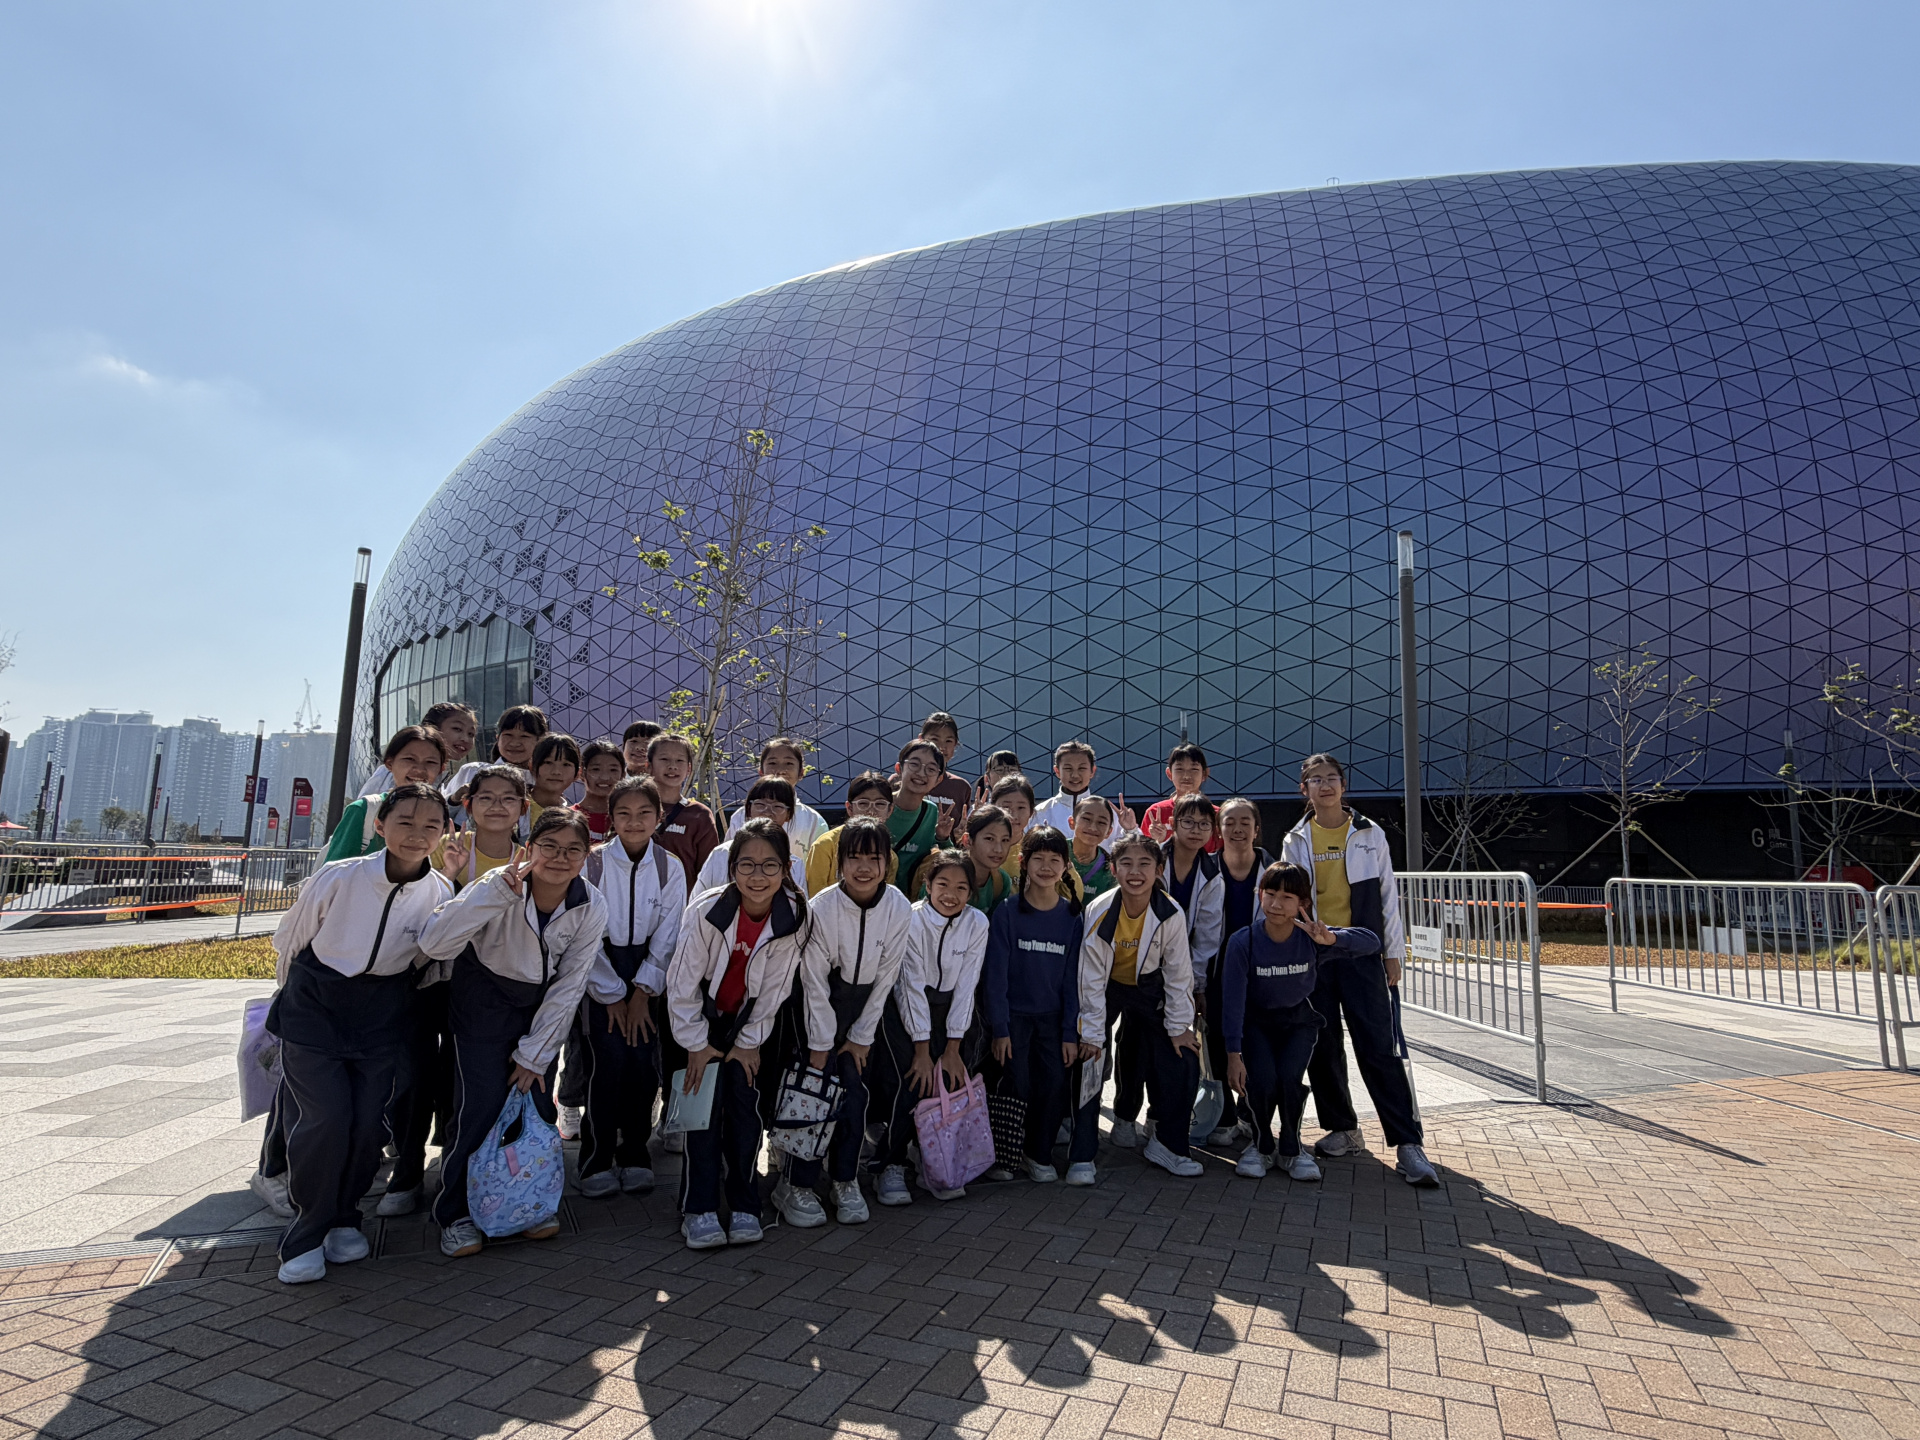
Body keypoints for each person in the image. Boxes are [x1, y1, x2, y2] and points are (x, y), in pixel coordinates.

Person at [265, 784, 454, 1283]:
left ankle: (345, 1217)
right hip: (315, 1009)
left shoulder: (439, 892)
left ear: (444, 832)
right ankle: (306, 1234)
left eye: (431, 825)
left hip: (382, 1016)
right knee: (325, 1119)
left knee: (368, 1124)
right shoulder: (339, 876)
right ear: (380, 825)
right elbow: (290, 940)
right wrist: (291, 997)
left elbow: (428, 960)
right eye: (405, 822)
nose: (417, 834)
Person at [417, 808, 609, 1258]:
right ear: (529, 848)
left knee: (536, 1105)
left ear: (587, 856)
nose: (560, 858)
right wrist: (495, 896)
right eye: (549, 847)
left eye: (573, 850)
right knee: (479, 1107)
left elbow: (571, 983)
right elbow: (434, 942)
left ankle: (525, 1202)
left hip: (539, 1009)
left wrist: (535, 1054)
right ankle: (455, 1213)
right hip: (480, 1005)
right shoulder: (496, 884)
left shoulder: (591, 903)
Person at [1280, 753, 1437, 1186]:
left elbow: (1387, 895)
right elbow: (1290, 897)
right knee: (1323, 1045)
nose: (1325, 785)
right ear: (1304, 790)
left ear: (1344, 785)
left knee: (1378, 1046)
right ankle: (1343, 1129)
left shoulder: (1369, 832)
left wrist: (1393, 952)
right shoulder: (1295, 839)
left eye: (1332, 777)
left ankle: (1407, 1142)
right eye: (1315, 780)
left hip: (1362, 952)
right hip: (1315, 955)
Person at [665, 820, 811, 1249]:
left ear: (786, 869)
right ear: (732, 869)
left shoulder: (794, 916)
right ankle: (698, 1208)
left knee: (746, 1113)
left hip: (749, 1026)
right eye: (747, 864)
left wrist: (748, 1044)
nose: (757, 876)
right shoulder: (707, 911)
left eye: (770, 865)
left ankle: (746, 1204)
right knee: (702, 1114)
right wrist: (697, 1044)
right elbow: (681, 985)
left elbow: (776, 990)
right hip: (699, 1020)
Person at [773, 817, 912, 1226]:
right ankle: (795, 1183)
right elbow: (813, 981)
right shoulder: (822, 908)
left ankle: (844, 1179)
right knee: (812, 1092)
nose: (864, 868)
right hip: (817, 1012)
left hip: (862, 1015)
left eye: (874, 858)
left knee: (854, 1095)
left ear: (887, 862)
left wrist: (861, 1036)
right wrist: (821, 1042)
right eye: (854, 858)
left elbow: (886, 977)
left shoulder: (898, 907)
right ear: (840, 862)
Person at [1221, 861, 1382, 1182]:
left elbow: (1371, 941)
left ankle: (1292, 1149)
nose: (1276, 904)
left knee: (1289, 1079)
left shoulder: (1310, 938)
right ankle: (1261, 1146)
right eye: (1270, 894)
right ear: (1259, 894)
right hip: (1257, 1024)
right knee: (1262, 1081)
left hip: (1299, 1022)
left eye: (1287, 897)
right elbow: (1233, 1001)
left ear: (1303, 904)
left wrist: (1331, 939)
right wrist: (1233, 1054)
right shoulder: (1243, 942)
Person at [1071, 831, 1203, 1184]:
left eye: (1145, 863)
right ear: (1113, 869)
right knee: (1090, 1056)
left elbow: (1179, 975)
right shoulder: (1099, 910)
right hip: (1106, 987)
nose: (1135, 872)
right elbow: (1090, 978)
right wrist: (1092, 1035)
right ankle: (1082, 1153)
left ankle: (1168, 1143)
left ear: (1159, 869)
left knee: (1184, 1056)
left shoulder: (1170, 912)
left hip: (1148, 987)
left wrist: (1180, 1028)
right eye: (1126, 863)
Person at [577, 776, 687, 1198]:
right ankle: (596, 1158)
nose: (634, 821)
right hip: (600, 971)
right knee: (604, 1067)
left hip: (647, 974)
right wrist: (611, 995)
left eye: (644, 813)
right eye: (623, 813)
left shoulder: (669, 866)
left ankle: (636, 1153)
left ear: (659, 817)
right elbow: (584, 934)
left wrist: (641, 993)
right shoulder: (592, 863)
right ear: (611, 818)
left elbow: (670, 934)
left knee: (642, 1067)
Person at [874, 849, 988, 1202]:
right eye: (942, 884)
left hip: (952, 1011)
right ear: (927, 884)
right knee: (911, 1081)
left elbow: (967, 985)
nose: (950, 895)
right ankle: (890, 1164)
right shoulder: (910, 920)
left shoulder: (977, 923)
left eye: (961, 888)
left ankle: (933, 1158)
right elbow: (909, 986)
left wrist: (953, 1048)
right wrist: (921, 1049)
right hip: (904, 1011)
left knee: (950, 1082)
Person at [982, 825, 1083, 1181]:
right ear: (1024, 862)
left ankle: (1038, 1153)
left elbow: (1072, 981)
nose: (1046, 867)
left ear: (1066, 866)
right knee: (1016, 1084)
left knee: (1054, 1084)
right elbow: (996, 977)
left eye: (1055, 860)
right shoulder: (1008, 912)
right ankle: (1005, 1156)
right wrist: (1000, 1029)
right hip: (1015, 1020)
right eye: (1038, 859)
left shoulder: (1072, 917)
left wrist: (1069, 1033)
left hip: (1052, 1021)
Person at [1204, 797, 1271, 1145]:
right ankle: (1225, 1116)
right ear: (1219, 830)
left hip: (1261, 973)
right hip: (1216, 971)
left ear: (1257, 829)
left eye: (1246, 822)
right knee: (1217, 1040)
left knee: (1255, 1041)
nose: (1238, 829)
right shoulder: (1206, 869)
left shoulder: (1274, 870)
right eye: (1229, 822)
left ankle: (1251, 1112)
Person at [326, 727, 448, 862]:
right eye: (409, 759)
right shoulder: (363, 810)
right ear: (390, 763)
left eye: (430, 762)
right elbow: (334, 872)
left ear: (441, 769)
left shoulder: (441, 815)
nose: (419, 769)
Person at [723, 737, 830, 859]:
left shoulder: (813, 821)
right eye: (772, 763)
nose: (780, 770)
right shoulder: (741, 816)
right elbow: (728, 857)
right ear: (761, 771)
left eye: (789, 763)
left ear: (801, 772)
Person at [697, 777, 808, 895]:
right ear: (749, 809)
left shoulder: (795, 865)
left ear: (788, 815)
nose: (767, 812)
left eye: (777, 806)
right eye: (760, 804)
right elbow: (698, 901)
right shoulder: (721, 855)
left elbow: (800, 904)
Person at [805, 772, 899, 895]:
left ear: (890, 810)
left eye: (880, 804)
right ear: (849, 808)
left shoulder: (890, 857)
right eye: (863, 803)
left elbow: (884, 898)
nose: (871, 811)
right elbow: (816, 897)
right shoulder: (825, 846)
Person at [358, 701, 477, 798]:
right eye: (457, 729)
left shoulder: (441, 777)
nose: (465, 739)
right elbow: (366, 808)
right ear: (432, 729)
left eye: (471, 734)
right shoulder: (391, 771)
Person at [646, 732, 721, 876]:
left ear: (689, 769)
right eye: (664, 759)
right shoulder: (634, 809)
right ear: (648, 766)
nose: (672, 766)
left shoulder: (699, 815)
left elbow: (709, 870)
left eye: (680, 760)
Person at [443, 704, 549, 804]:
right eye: (508, 735)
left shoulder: (546, 782)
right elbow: (440, 809)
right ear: (497, 737)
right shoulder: (472, 772)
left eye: (524, 736)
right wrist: (454, 799)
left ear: (540, 741)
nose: (514, 743)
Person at [1032, 741, 1133, 843]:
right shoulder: (1041, 812)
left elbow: (1129, 848)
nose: (1075, 775)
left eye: (1082, 768)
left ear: (1092, 771)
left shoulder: (1108, 813)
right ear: (1057, 771)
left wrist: (1130, 830)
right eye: (1068, 768)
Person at [889, 739, 948, 890]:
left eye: (931, 769)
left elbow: (947, 861)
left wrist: (943, 838)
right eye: (914, 764)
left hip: (913, 899)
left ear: (939, 779)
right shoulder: (880, 805)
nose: (921, 773)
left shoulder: (931, 812)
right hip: (878, 897)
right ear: (899, 768)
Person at [1141, 743, 1220, 853]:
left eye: (1194, 769)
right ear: (1169, 773)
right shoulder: (1155, 812)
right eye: (1179, 769)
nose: (1186, 776)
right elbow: (1142, 853)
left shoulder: (1218, 815)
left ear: (1205, 774)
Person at [954, 803, 1015, 913]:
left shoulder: (1001, 882)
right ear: (967, 841)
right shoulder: (946, 876)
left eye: (1005, 840)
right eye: (989, 839)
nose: (998, 849)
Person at [918, 713, 974, 827]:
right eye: (935, 739)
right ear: (921, 740)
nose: (941, 747)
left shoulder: (961, 787)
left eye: (948, 741)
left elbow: (963, 826)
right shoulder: (905, 780)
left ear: (955, 744)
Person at [1067, 793, 1118, 901]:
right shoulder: (1054, 851)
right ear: (1072, 822)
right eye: (1086, 819)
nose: (1093, 827)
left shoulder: (1110, 869)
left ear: (1109, 832)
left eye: (1101, 822)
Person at [528, 734, 582, 825]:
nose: (556, 772)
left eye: (566, 764)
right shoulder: (517, 807)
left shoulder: (571, 820)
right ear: (531, 766)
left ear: (578, 773)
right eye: (548, 762)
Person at [577, 739, 625, 841]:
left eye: (613, 770)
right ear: (581, 773)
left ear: (623, 775)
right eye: (596, 769)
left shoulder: (629, 819)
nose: (605, 777)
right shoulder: (568, 817)